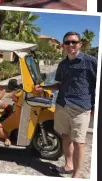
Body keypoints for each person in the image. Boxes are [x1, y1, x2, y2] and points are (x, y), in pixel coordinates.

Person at [35, 32, 97, 178]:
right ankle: (68, 165)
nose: (71, 45)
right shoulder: (63, 64)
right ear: (63, 46)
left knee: (79, 143)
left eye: (74, 42)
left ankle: (75, 175)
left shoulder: (91, 61)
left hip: (81, 107)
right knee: (65, 137)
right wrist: (44, 88)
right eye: (67, 42)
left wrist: (94, 106)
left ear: (80, 44)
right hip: (62, 105)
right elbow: (59, 84)